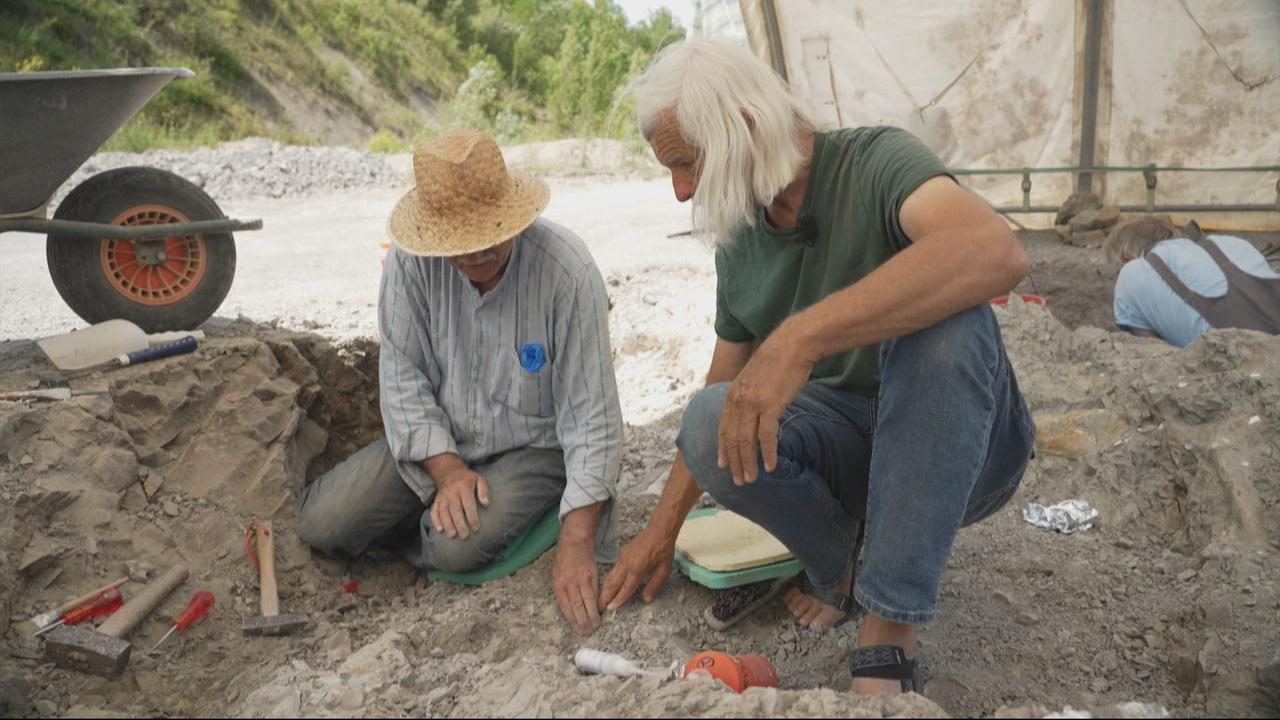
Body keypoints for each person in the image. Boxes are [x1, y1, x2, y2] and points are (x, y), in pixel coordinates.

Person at [597, 39, 1037, 695]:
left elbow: (994, 251)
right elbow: (720, 394)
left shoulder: (876, 162)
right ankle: (843, 574)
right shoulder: (743, 232)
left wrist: (798, 339)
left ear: (745, 128)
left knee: (949, 320)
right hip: (851, 457)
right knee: (708, 420)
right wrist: (660, 533)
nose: (682, 190)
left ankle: (886, 636)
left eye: (688, 164)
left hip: (965, 458)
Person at [296, 130, 623, 637]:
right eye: (458, 245)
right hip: (441, 442)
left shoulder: (566, 272)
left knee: (456, 545)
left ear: (514, 215)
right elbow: (403, 381)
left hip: (532, 449)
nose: (474, 257)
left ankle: (442, 530)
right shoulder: (409, 264)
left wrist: (577, 541)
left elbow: (593, 421)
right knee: (320, 522)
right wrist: (447, 472)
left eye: (489, 238)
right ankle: (434, 517)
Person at [1107, 217, 1280, 347]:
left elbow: (1150, 357)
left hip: (1239, 369)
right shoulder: (1233, 243)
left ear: (1127, 259)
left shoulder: (1132, 273)